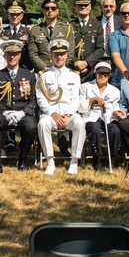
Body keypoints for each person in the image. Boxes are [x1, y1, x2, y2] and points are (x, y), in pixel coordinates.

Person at [0, 40, 38, 174]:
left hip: (22, 114)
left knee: (31, 126)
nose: (12, 57)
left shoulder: (29, 75)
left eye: (15, 54)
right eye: (9, 54)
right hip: (4, 113)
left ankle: (22, 158)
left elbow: (32, 101)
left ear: (19, 55)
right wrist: (4, 112)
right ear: (4, 56)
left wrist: (23, 113)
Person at [37, 38, 85, 175]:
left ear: (66, 55)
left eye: (62, 54)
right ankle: (50, 161)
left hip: (68, 114)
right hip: (51, 114)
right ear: (51, 55)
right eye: (56, 54)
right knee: (42, 124)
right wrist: (53, 114)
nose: (59, 57)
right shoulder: (44, 76)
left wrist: (67, 115)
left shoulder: (74, 76)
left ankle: (74, 161)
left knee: (80, 123)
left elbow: (76, 99)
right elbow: (41, 99)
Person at [77, 60, 121, 171]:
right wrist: (91, 100)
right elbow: (80, 107)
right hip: (91, 116)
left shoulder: (114, 91)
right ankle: (97, 159)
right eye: (100, 73)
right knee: (95, 130)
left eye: (105, 74)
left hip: (108, 116)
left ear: (109, 76)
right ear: (95, 74)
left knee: (115, 130)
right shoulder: (85, 87)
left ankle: (113, 158)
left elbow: (115, 106)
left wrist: (117, 112)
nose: (102, 76)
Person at [27, 0, 75, 72]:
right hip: (42, 71)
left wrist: (58, 67)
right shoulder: (35, 30)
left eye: (53, 8)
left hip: (61, 71)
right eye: (47, 8)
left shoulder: (67, 29)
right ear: (43, 11)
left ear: (57, 11)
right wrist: (44, 67)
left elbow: (70, 53)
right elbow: (33, 54)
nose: (50, 10)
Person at [70, 0, 104, 81]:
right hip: (72, 69)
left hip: (91, 70)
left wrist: (86, 63)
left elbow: (100, 49)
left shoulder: (97, 25)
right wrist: (77, 64)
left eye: (86, 5)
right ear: (75, 7)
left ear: (90, 7)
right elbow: (67, 48)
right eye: (80, 5)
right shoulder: (69, 25)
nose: (83, 7)